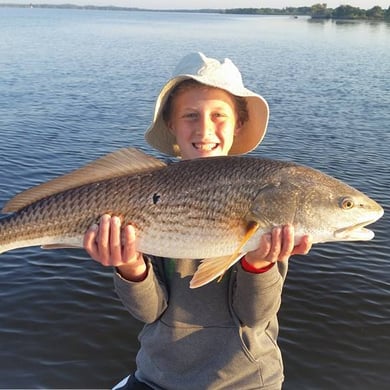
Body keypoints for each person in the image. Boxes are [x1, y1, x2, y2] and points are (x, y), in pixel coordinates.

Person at [84, 52, 312, 390]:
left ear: (238, 125)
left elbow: (254, 316)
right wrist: (130, 266)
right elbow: (150, 312)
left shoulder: (269, 207)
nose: (204, 128)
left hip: (245, 381)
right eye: (190, 115)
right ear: (172, 126)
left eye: (219, 115)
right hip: (156, 377)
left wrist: (259, 263)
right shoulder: (146, 189)